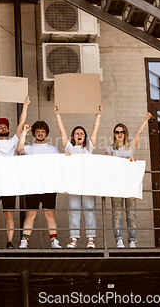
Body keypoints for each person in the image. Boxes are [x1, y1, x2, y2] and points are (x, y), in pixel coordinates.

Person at [0, 94, 30, 249]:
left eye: (5, 126)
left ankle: (9, 242)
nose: (3, 127)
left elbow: (22, 123)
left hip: (9, 184)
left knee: (9, 213)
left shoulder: (13, 142)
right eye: (0, 126)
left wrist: (25, 105)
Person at [54, 104, 103, 249]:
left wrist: (98, 114)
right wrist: (58, 115)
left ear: (84, 136)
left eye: (81, 133)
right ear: (73, 137)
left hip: (87, 185)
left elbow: (95, 130)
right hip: (73, 185)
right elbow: (62, 130)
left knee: (89, 210)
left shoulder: (89, 148)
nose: (79, 135)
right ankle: (74, 239)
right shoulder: (68, 148)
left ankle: (90, 240)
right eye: (77, 133)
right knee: (73, 211)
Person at [105, 112, 153, 248]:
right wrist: (125, 160)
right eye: (117, 132)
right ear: (114, 134)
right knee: (117, 213)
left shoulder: (130, 146)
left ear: (125, 133)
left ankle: (132, 240)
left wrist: (145, 119)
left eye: (122, 132)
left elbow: (139, 133)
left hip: (130, 183)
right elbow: (110, 164)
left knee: (131, 214)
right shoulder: (109, 149)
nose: (120, 134)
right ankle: (119, 239)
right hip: (116, 185)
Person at [17, 121, 62, 249]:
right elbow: (19, 149)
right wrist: (24, 132)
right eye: (38, 131)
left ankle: (54, 241)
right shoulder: (29, 148)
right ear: (34, 133)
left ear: (46, 133)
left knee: (50, 214)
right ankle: (24, 241)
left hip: (48, 186)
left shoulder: (53, 150)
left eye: (42, 131)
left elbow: (58, 167)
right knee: (30, 214)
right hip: (32, 186)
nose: (40, 134)